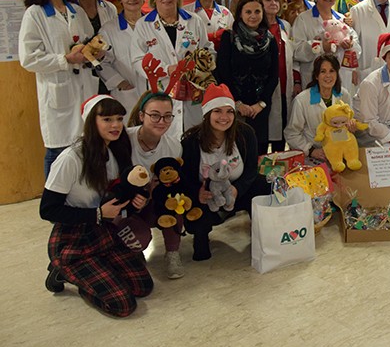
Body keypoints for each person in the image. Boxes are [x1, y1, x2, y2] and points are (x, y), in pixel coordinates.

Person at [39, 95, 153, 317]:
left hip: (104, 233)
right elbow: (47, 210)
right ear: (92, 121)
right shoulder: (70, 158)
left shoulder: (114, 151)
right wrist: (97, 214)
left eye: (119, 119)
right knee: (122, 305)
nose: (116, 125)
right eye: (107, 119)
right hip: (73, 239)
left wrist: (139, 198)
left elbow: (118, 192)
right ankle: (64, 271)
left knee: (143, 286)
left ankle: (95, 270)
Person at [18, 0, 97, 177]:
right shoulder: (35, 14)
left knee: (84, 150)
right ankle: (54, 205)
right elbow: (29, 58)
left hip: (83, 90)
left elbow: (88, 40)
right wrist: (65, 60)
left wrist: (93, 50)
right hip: (57, 93)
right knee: (58, 152)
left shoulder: (76, 11)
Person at [181, 84, 268, 260]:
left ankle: (264, 231)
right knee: (200, 250)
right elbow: (185, 177)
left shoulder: (245, 133)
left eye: (229, 111)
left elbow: (251, 170)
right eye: (217, 111)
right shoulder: (191, 141)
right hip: (207, 197)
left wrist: (237, 190)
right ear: (207, 114)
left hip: (236, 191)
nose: (224, 117)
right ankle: (201, 238)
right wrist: (197, 193)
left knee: (264, 184)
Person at [131, 0, 214, 142]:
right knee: (164, 142)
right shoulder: (143, 25)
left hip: (192, 93)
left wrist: (199, 66)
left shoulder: (194, 21)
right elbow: (137, 59)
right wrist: (166, 69)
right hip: (162, 90)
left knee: (193, 141)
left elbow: (208, 50)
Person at [122, 91, 186, 278]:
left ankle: (173, 253)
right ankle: (133, 252)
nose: (162, 121)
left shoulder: (174, 146)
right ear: (142, 116)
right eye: (155, 115)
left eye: (167, 116)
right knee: (138, 238)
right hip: (128, 203)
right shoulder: (125, 140)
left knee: (176, 202)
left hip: (156, 202)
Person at [215, 0, 279, 155]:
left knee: (259, 154)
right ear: (240, 14)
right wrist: (238, 103)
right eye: (248, 12)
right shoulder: (228, 37)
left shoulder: (270, 40)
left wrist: (261, 104)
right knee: (235, 152)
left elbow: (274, 75)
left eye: (257, 11)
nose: (253, 16)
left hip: (261, 108)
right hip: (233, 107)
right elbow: (223, 73)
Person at [292, 0, 360, 93]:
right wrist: (321, 46)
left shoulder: (342, 19)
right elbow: (296, 51)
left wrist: (350, 44)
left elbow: (357, 48)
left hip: (340, 79)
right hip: (313, 79)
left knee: (340, 108)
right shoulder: (303, 19)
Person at [98, 0, 150, 121]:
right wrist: (119, 82)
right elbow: (101, 62)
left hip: (154, 90)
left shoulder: (154, 25)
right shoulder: (108, 29)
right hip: (126, 93)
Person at [285, 53, 353, 160]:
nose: (328, 76)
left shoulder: (344, 95)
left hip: (339, 153)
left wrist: (351, 127)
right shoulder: (302, 100)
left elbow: (349, 122)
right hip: (313, 157)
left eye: (332, 71)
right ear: (316, 75)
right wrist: (311, 150)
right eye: (323, 71)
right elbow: (292, 134)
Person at [260, 0, 299, 153]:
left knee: (282, 131)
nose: (273, 3)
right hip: (263, 89)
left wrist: (296, 81)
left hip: (284, 85)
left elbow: (294, 56)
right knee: (264, 133)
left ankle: (280, 168)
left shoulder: (285, 26)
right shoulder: (257, 26)